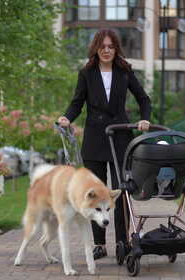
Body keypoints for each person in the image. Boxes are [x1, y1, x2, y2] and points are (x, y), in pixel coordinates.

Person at [57, 28, 151, 260]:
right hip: (95, 139)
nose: (107, 50)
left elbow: (143, 98)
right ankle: (99, 244)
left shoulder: (125, 71)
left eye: (111, 46)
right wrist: (67, 118)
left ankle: (122, 241)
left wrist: (145, 118)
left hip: (120, 137)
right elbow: (77, 102)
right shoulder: (87, 73)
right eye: (103, 46)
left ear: (116, 48)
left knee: (120, 192)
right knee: (96, 195)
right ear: (96, 48)